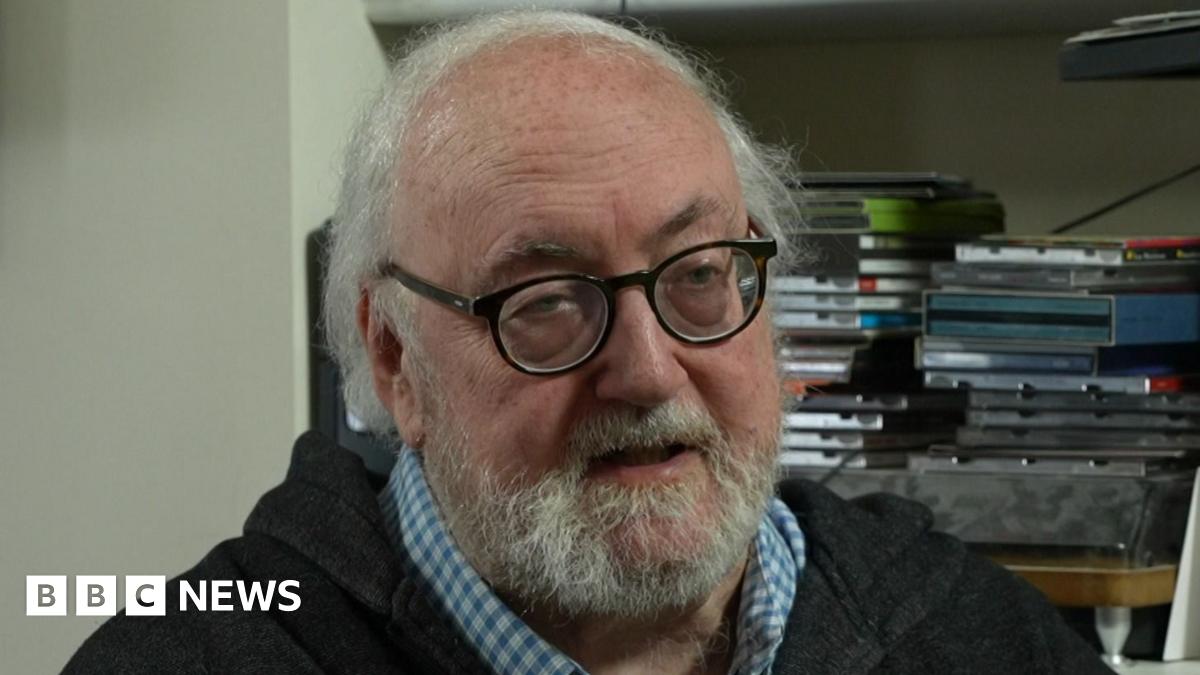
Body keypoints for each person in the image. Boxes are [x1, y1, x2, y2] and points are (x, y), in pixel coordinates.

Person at [66, 10, 1112, 674]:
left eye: (700, 275)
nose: (649, 371)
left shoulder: (967, 633)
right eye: (548, 302)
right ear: (394, 361)